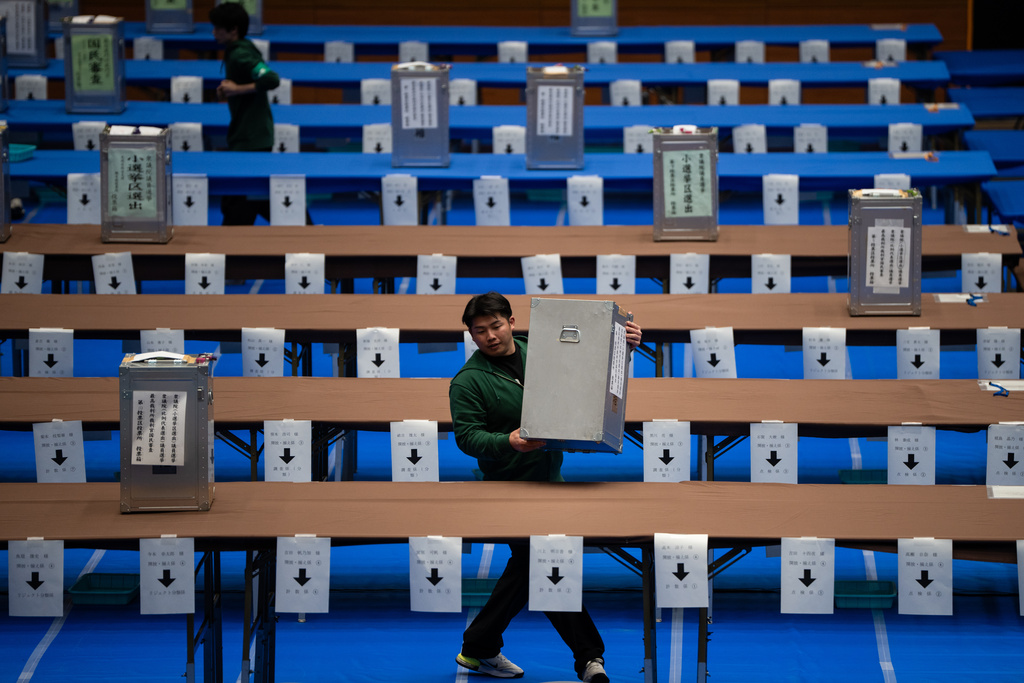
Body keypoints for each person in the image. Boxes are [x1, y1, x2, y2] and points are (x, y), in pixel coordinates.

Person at [449, 292, 642, 683]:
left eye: (496, 325)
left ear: (512, 322)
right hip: (508, 487)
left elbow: (588, 363)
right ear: (470, 335)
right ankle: (590, 659)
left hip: (551, 481)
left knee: (538, 564)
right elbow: (467, 438)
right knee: (545, 562)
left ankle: (478, 646)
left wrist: (622, 343)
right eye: (479, 331)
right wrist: (508, 442)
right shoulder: (468, 382)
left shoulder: (539, 348)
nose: (489, 336)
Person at [209, 3, 280, 225]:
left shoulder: (240, 54)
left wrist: (237, 89)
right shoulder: (240, 49)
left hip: (252, 137)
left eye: (218, 28)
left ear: (233, 30)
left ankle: (307, 230)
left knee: (244, 198)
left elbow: (271, 78)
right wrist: (230, 90)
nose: (214, 32)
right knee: (250, 196)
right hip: (250, 133)